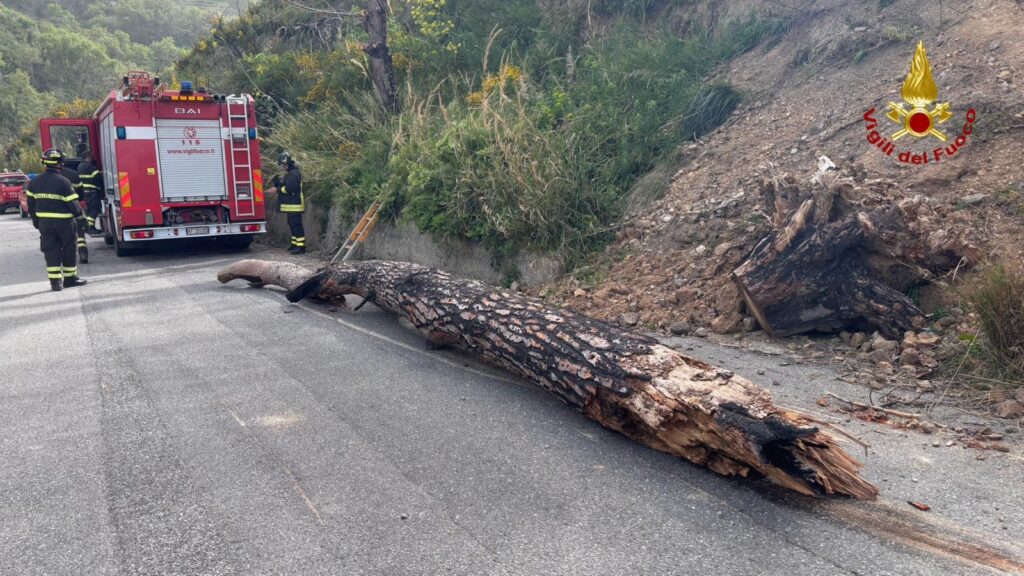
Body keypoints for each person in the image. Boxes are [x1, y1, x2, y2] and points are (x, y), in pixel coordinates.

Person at [27, 149, 87, 291]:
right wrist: (81, 219)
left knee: (50, 251)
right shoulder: (64, 182)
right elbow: (74, 205)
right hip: (65, 224)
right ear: (60, 163)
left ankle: (55, 283)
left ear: (44, 163)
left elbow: (31, 205)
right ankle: (70, 279)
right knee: (69, 249)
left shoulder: (34, 182)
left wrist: (36, 221)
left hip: (45, 223)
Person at [268, 152, 305, 255]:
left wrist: (277, 189)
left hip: (295, 205)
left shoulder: (294, 174)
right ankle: (294, 245)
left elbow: (290, 188)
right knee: (292, 225)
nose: (283, 167)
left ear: (287, 164)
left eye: (283, 165)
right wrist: (277, 183)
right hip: (292, 205)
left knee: (296, 226)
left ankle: (301, 247)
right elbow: (285, 185)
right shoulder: (290, 174)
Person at [61, 161, 88, 264]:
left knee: (65, 235)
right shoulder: (74, 174)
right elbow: (81, 192)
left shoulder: (52, 177)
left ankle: (66, 257)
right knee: (80, 233)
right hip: (76, 206)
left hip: (61, 210)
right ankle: (83, 254)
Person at [77, 150, 104, 234]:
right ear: (88, 157)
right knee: (95, 209)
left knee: (89, 210)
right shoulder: (89, 166)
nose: (92, 159)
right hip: (92, 192)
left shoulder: (80, 166)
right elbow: (98, 177)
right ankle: (90, 227)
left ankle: (90, 227)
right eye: (91, 157)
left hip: (85, 193)